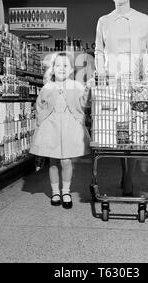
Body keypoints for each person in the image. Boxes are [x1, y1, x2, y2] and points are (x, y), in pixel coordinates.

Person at [94, 0, 148, 195]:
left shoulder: (144, 19)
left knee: (136, 126)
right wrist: (100, 72)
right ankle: (125, 173)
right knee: (120, 127)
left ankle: (129, 177)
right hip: (114, 80)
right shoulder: (104, 21)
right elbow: (99, 50)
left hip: (140, 79)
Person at [31, 52, 91, 209]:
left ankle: (66, 190)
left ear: (71, 69)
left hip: (69, 126)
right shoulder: (47, 87)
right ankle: (55, 191)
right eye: (58, 65)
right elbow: (39, 106)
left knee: (66, 160)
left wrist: (89, 90)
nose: (62, 68)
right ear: (53, 68)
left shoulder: (76, 86)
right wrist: (40, 122)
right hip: (51, 126)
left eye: (65, 65)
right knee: (53, 160)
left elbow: (84, 103)